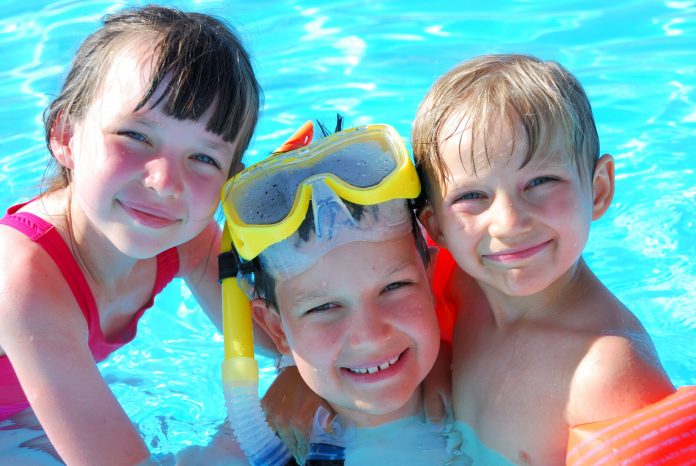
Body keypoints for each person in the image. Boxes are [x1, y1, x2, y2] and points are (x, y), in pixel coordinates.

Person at [0, 5, 261, 465]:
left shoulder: (185, 237)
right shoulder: (21, 277)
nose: (165, 183)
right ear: (65, 135)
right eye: (135, 136)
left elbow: (281, 343)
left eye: (204, 159)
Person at [411, 53, 676, 465]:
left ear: (599, 189)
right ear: (437, 226)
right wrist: (297, 378)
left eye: (540, 181)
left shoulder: (607, 374)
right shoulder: (463, 288)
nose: (510, 223)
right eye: (471, 197)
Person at [217, 122, 509, 465]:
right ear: (277, 328)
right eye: (324, 307)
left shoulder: (491, 391)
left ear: (430, 281)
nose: (370, 336)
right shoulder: (252, 443)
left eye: (394, 287)